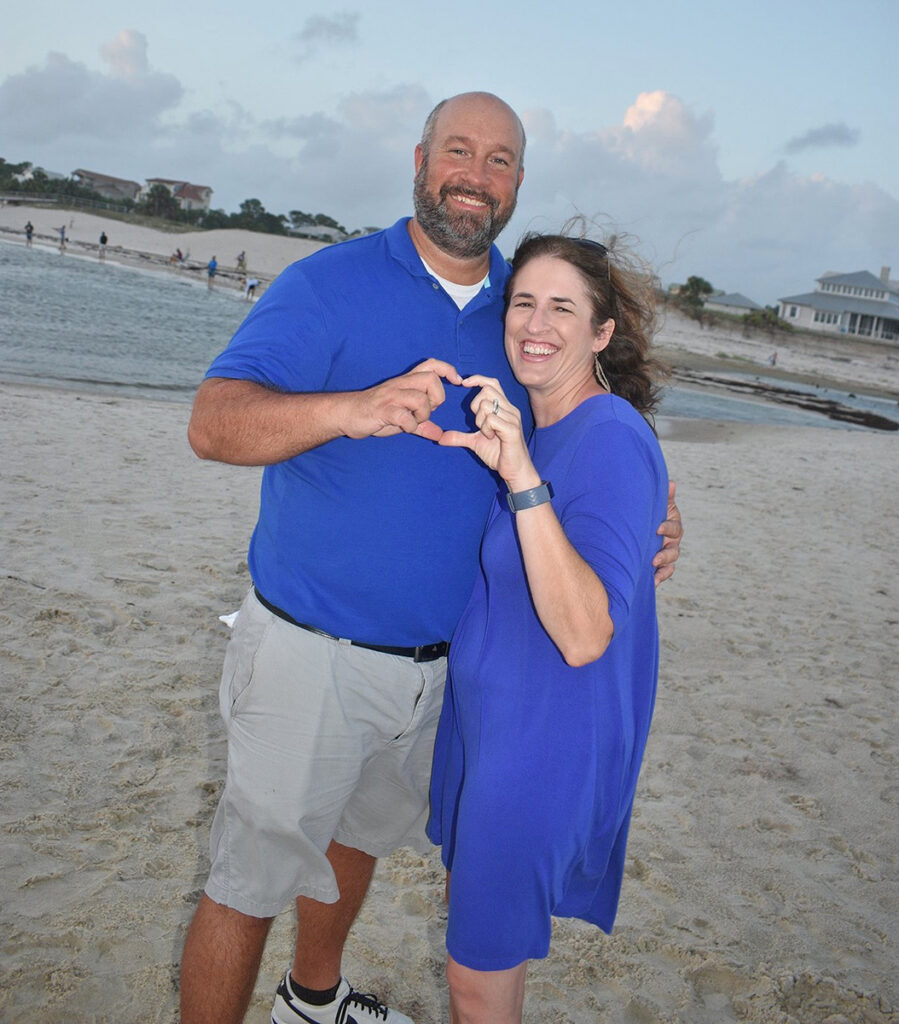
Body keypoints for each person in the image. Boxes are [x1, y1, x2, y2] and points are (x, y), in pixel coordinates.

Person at [182, 92, 683, 1024]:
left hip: (445, 673)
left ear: (518, 184)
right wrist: (350, 408)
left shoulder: (519, 303)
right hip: (310, 652)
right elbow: (211, 426)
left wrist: (655, 510)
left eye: (499, 162)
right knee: (247, 880)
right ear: (420, 160)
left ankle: (312, 1000)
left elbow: (582, 427)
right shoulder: (327, 283)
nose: (475, 175)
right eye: (459, 151)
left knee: (359, 844)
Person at [427, 231, 668, 1023]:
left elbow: (585, 632)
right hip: (495, 728)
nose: (536, 322)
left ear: (602, 332)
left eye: (562, 306)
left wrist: (522, 478)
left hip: (544, 743)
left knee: (475, 978)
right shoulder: (547, 427)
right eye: (523, 301)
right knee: (493, 958)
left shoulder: (609, 436)